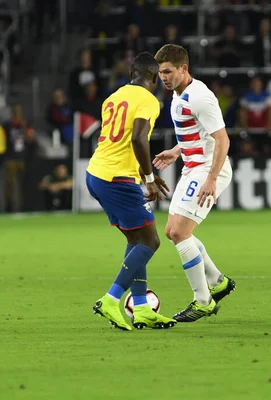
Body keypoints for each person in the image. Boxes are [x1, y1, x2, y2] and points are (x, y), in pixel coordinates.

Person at [86, 52, 176, 331]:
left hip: (98, 173)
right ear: (154, 78)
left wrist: (144, 173)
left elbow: (122, 143)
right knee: (150, 242)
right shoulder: (149, 100)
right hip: (116, 179)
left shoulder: (112, 97)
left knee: (136, 238)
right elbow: (138, 138)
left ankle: (141, 308)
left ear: (130, 75)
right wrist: (148, 178)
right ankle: (111, 300)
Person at [154, 44, 236, 322]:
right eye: (160, 72)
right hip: (192, 167)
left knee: (179, 232)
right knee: (172, 231)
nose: (163, 77)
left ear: (183, 69)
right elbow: (197, 132)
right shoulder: (177, 96)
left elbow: (222, 139)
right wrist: (176, 151)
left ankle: (203, 302)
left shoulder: (200, 96)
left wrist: (212, 179)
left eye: (168, 71)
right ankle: (217, 282)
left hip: (209, 169)